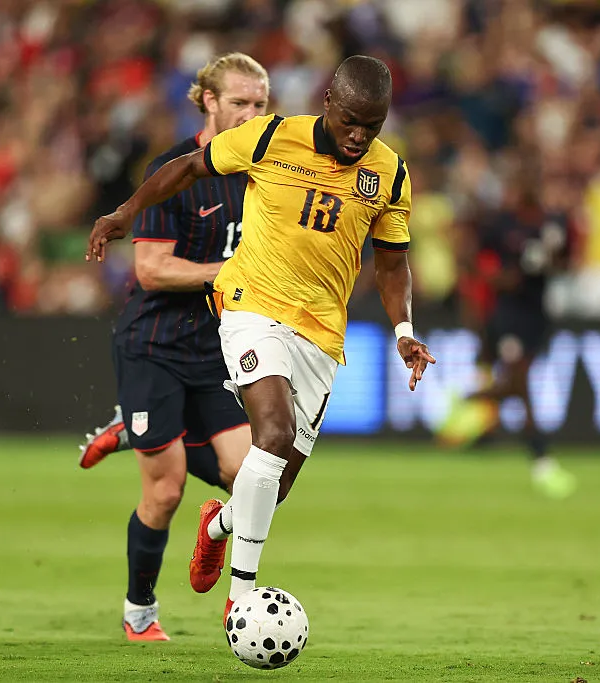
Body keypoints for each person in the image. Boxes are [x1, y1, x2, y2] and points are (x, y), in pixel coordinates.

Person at [87, 55, 436, 624]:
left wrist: (404, 331)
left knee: (275, 480)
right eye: (350, 120)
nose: (358, 135)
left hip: (321, 333)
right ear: (328, 101)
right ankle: (242, 596)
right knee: (270, 434)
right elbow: (187, 168)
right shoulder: (273, 135)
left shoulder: (390, 174)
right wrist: (127, 213)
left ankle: (219, 524)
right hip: (253, 306)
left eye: (371, 126)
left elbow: (392, 264)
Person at [86, 53, 270, 642]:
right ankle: (139, 611)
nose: (252, 114)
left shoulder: (267, 171)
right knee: (164, 491)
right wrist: (232, 272)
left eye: (261, 104)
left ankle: (218, 542)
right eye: (240, 102)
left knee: (251, 475)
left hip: (217, 347)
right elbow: (151, 268)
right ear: (209, 103)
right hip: (154, 345)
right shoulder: (173, 169)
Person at [440, 174, 578, 499]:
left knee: (519, 386)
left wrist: (550, 261)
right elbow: (470, 258)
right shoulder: (502, 225)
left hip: (537, 315)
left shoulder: (551, 225)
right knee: (520, 382)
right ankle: (542, 461)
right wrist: (498, 279)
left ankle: (468, 401)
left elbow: (565, 264)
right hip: (509, 315)